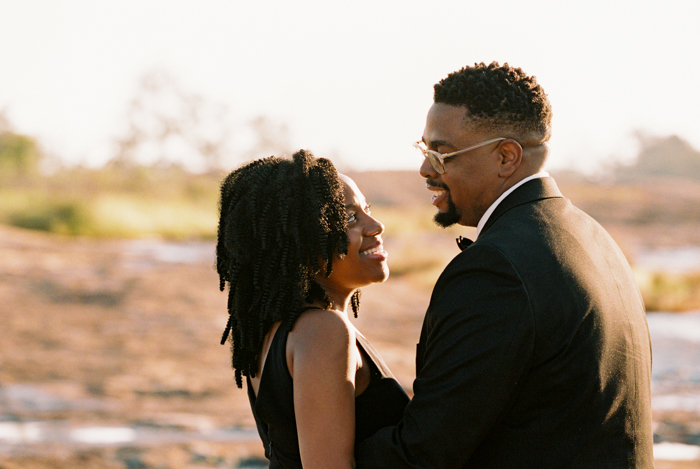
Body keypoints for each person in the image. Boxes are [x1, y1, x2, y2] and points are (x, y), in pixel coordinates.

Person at [355, 62, 654, 468]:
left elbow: (424, 454)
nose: (425, 169)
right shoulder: (595, 239)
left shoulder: (495, 270)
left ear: (506, 157)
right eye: (423, 151)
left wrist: (310, 452)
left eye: (442, 154)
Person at [217, 150, 409, 469]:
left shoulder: (278, 330)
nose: (376, 226)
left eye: (367, 210)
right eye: (349, 217)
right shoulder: (322, 331)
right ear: (301, 242)